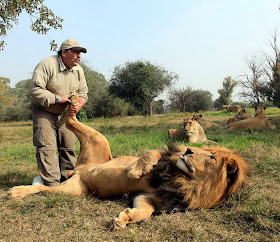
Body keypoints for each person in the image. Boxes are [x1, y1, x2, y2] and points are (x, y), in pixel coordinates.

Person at [29, 39, 88, 186]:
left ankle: (67, 179)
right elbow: (35, 90)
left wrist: (79, 104)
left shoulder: (78, 70)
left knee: (68, 145)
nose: (79, 56)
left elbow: (83, 93)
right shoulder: (47, 64)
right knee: (46, 146)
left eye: (80, 53)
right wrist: (58, 98)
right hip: (44, 110)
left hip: (65, 112)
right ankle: (51, 183)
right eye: (75, 52)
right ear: (64, 52)